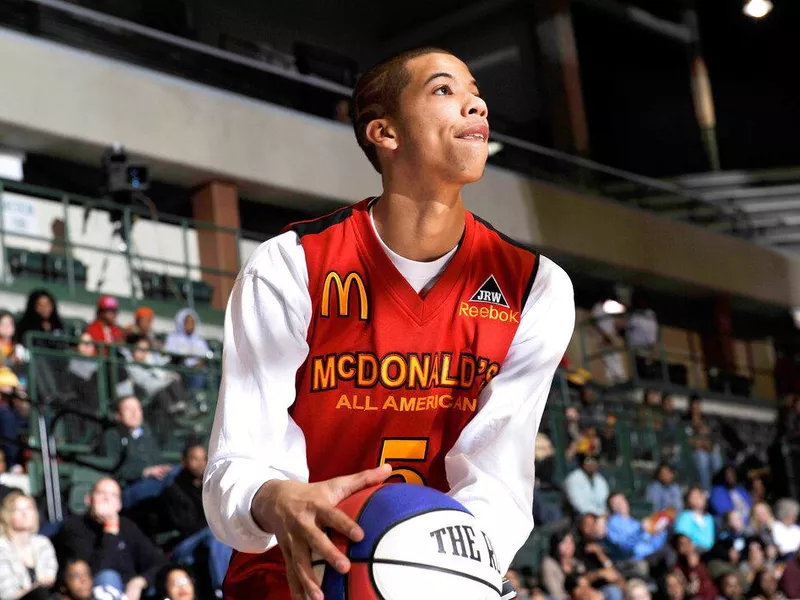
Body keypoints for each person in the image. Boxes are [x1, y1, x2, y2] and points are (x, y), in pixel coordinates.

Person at [203, 46, 574, 600]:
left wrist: (447, 573)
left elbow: (497, 477)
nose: (476, 104)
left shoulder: (536, 287)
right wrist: (272, 497)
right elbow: (235, 465)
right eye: (445, 90)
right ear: (385, 132)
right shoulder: (291, 265)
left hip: (436, 572)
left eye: (475, 91)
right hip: (296, 575)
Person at [54, 478, 166, 600]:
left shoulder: (127, 526)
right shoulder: (74, 527)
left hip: (129, 593)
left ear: (119, 505)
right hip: (94, 594)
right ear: (88, 499)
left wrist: (140, 582)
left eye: (113, 495)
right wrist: (110, 531)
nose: (107, 498)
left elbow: (159, 562)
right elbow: (92, 574)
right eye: (101, 493)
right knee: (108, 577)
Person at [164, 443, 231, 596]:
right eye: (194, 459)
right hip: (184, 545)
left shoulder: (211, 485)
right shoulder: (174, 489)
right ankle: (222, 589)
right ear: (184, 462)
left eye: (204, 459)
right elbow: (186, 526)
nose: (201, 464)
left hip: (211, 537)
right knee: (217, 535)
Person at [100, 396, 175, 509]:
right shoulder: (111, 436)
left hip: (157, 482)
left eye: (138, 408)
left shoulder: (147, 432)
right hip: (131, 487)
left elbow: (158, 459)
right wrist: (145, 471)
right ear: (118, 415)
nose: (134, 413)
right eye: (128, 409)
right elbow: (114, 469)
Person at [0, 491, 57, 600]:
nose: (25, 514)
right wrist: (35, 588)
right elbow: (7, 594)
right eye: (18, 510)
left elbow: (50, 579)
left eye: (29, 508)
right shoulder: (1, 547)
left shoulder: (43, 543)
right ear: (7, 515)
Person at [163, 309, 209, 391]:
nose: (190, 325)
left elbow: (205, 356)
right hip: (180, 369)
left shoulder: (199, 340)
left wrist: (199, 364)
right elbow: (171, 355)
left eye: (193, 322)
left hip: (197, 370)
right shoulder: (173, 338)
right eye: (187, 322)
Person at [675, 487, 715, 552]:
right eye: (694, 497)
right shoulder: (685, 516)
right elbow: (682, 539)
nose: (698, 499)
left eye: (699, 496)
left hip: (709, 552)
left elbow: (710, 541)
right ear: (688, 500)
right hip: (692, 551)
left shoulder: (709, 518)